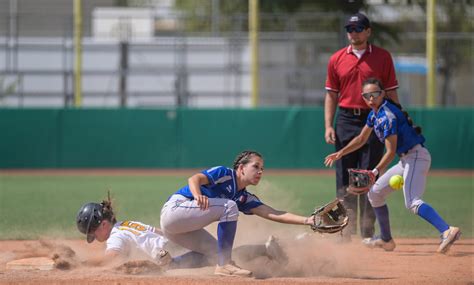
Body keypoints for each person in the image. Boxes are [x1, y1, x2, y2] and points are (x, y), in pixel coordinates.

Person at [324, 77, 461, 254]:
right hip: (406, 160)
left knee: (412, 201)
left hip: (416, 157)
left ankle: (447, 230)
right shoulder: (375, 114)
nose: (371, 98)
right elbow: (361, 138)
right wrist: (341, 152)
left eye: (375, 93)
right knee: (375, 193)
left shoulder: (387, 116)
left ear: (383, 94)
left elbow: (389, 152)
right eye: (366, 95)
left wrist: (374, 172)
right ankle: (386, 239)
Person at [160, 150, 315, 277]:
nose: (260, 171)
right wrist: (196, 195)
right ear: (241, 168)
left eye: (262, 169)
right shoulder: (225, 173)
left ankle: (170, 264)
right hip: (175, 210)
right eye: (256, 167)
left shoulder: (243, 196)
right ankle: (224, 266)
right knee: (229, 206)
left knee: (217, 253)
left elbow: (272, 213)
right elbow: (194, 178)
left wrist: (308, 220)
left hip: (181, 229)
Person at [324, 12, 400, 241]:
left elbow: (392, 91)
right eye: (350, 29)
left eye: (358, 29)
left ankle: (367, 232)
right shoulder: (336, 58)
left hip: (375, 118)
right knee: (344, 177)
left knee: (369, 175)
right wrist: (329, 124)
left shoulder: (382, 57)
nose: (353, 33)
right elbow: (331, 95)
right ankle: (345, 230)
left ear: (368, 31)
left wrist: (399, 120)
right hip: (346, 118)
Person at [76, 197, 287, 270]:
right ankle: (266, 249)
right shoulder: (125, 224)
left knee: (219, 259)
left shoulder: (116, 235)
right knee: (221, 257)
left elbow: (111, 256)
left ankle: (266, 249)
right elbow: (155, 231)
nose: (95, 238)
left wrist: (82, 264)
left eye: (93, 233)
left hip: (171, 254)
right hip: (175, 243)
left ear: (103, 224)